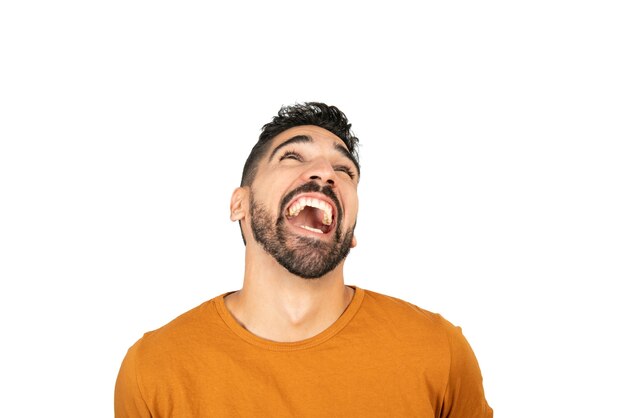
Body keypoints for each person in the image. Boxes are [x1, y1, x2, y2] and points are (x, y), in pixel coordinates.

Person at [115, 102, 493, 417]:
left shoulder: (439, 353)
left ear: (351, 230)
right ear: (239, 204)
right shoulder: (154, 369)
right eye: (292, 156)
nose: (326, 173)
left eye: (344, 170)